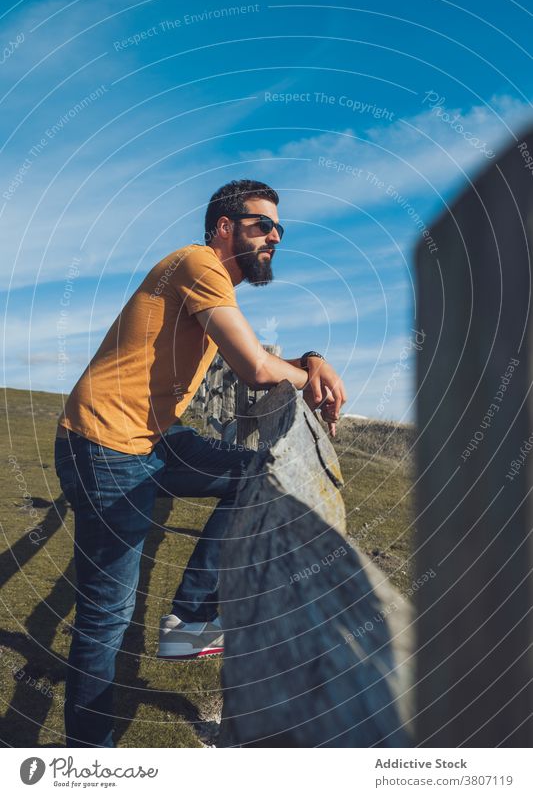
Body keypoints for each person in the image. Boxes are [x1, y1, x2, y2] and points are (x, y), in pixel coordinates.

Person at [55, 179, 347, 747]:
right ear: (223, 228)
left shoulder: (212, 287)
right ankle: (87, 759)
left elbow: (263, 356)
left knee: (256, 473)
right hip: (105, 443)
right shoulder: (197, 263)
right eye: (262, 225)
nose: (274, 238)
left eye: (279, 229)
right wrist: (310, 378)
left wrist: (311, 360)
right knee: (107, 616)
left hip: (155, 437)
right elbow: (258, 372)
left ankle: (189, 618)